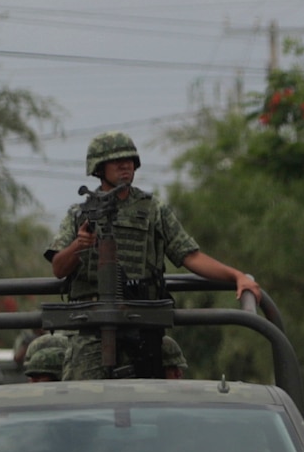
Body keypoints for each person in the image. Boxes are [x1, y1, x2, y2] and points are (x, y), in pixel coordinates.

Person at [23, 132, 263, 381]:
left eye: (129, 160)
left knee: (148, 404)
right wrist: (79, 245)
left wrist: (236, 276)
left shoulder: (152, 210)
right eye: (116, 161)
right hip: (91, 326)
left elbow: (191, 256)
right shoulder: (80, 213)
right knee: (84, 403)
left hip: (142, 322)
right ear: (99, 168)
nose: (125, 166)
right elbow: (59, 268)